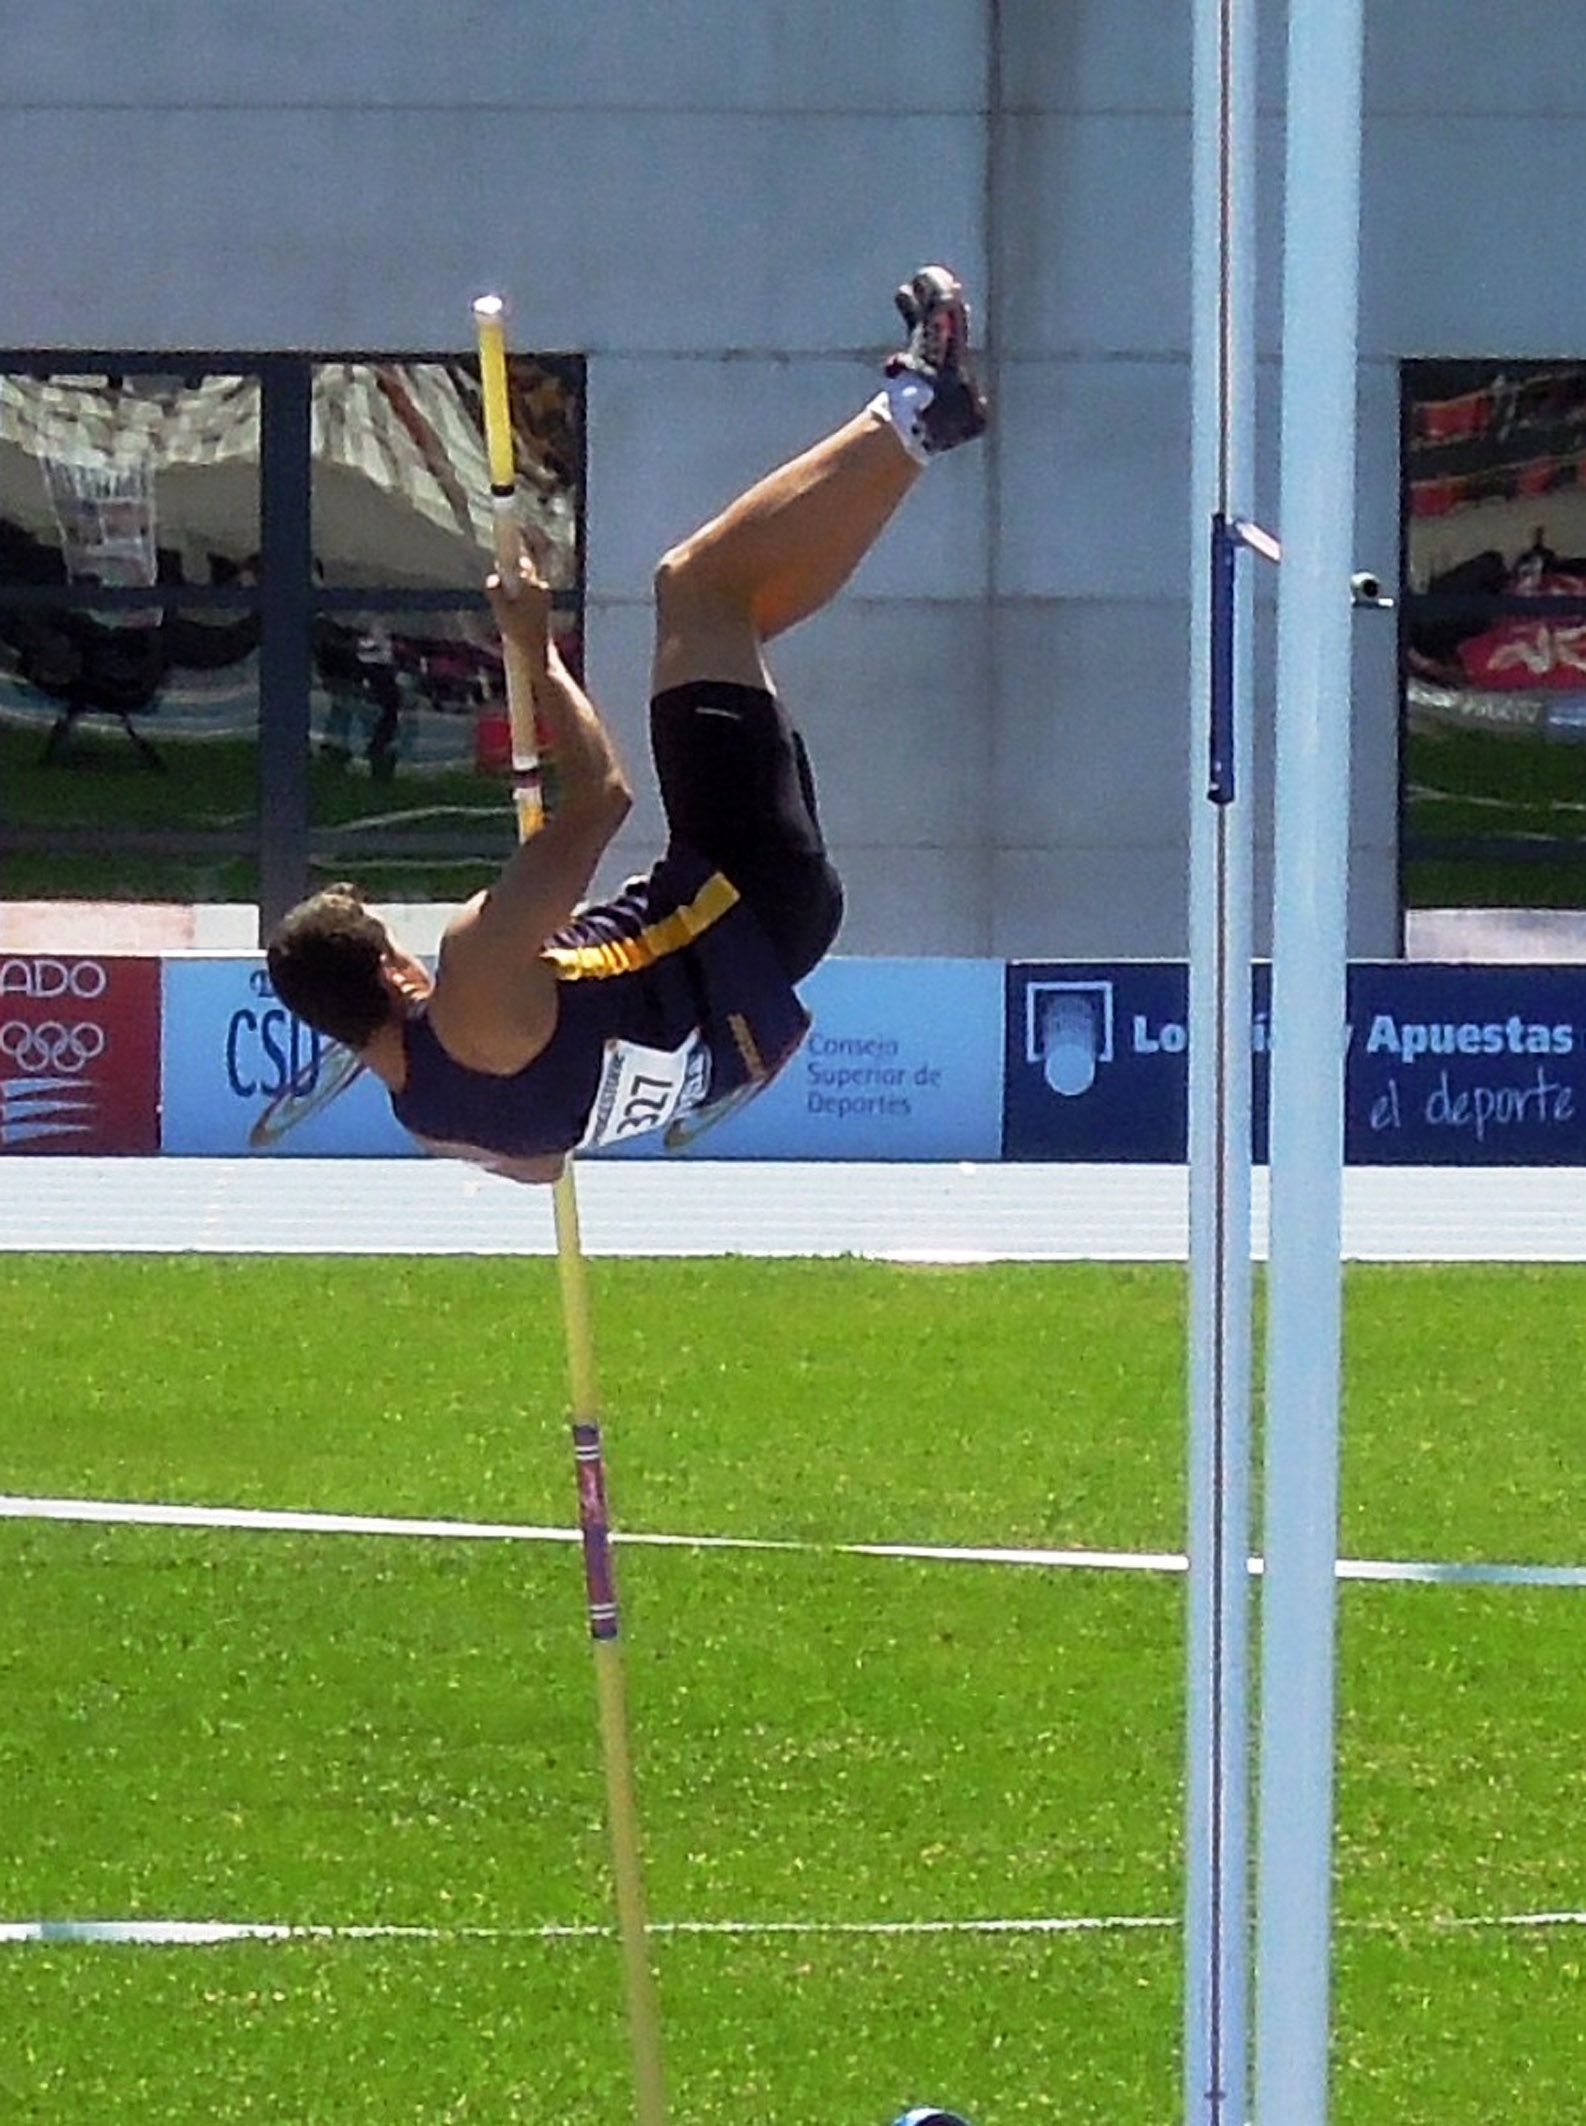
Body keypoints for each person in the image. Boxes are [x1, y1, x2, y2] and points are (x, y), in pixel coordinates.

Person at [265, 265, 988, 1184]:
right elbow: (603, 797)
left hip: (767, 946)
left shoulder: (434, 1123)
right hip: (740, 890)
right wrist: (533, 651)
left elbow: (546, 1167)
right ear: (393, 975)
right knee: (696, 586)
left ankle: (924, 426)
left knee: (732, 614)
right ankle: (920, 409)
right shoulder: (471, 968)